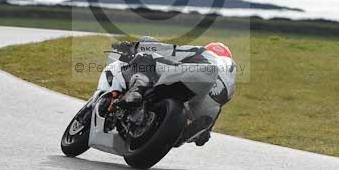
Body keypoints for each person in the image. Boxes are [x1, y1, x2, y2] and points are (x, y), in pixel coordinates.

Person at [94, 36, 236, 146]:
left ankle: (136, 91)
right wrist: (205, 132)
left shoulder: (204, 53)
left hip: (195, 75)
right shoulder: (229, 74)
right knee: (201, 122)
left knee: (146, 57)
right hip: (205, 106)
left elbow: (169, 50)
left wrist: (134, 46)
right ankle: (181, 133)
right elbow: (204, 136)